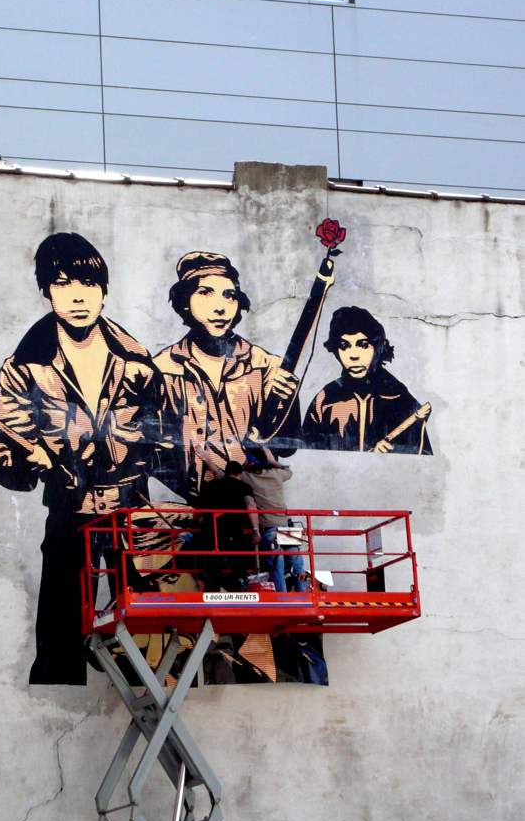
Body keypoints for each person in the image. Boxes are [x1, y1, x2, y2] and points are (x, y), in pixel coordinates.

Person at [0, 231, 161, 684]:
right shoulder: (24, 366)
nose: (78, 296)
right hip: (68, 514)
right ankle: (54, 703)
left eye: (88, 284)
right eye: (63, 284)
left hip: (132, 512)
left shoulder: (138, 362)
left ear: (104, 291)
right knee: (60, 643)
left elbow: (165, 440)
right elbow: (5, 454)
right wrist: (29, 459)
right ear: (46, 291)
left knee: (151, 640)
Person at [154, 252, 301, 502]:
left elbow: (286, 449)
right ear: (185, 301)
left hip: (252, 500)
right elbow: (152, 452)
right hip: (199, 504)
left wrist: (288, 403)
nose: (221, 307)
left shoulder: (266, 367)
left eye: (229, 295)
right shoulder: (163, 369)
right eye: (206, 293)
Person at [301, 306, 432, 454]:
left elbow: (422, 459)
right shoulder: (326, 399)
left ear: (378, 347)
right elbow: (306, 454)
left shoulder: (399, 399)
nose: (353, 355)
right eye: (344, 346)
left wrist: (392, 454)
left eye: (363, 345)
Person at [241, 447, 306, 592]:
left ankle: (282, 599)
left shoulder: (247, 477)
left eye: (246, 460)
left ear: (251, 463)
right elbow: (288, 471)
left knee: (277, 568)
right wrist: (273, 461)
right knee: (297, 567)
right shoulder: (276, 474)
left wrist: (208, 460)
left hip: (270, 530)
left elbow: (228, 475)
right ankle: (305, 595)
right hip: (287, 526)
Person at [197, 460, 260, 593]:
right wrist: (255, 530)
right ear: (240, 474)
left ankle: (211, 598)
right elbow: (250, 505)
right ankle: (240, 597)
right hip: (234, 532)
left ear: (225, 473)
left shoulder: (210, 486)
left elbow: (198, 508)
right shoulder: (243, 486)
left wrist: (197, 522)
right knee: (238, 568)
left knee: (212, 570)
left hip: (212, 532)